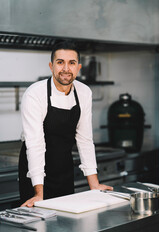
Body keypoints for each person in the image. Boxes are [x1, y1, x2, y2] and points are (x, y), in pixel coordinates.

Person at [18, 40, 113, 207]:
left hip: (64, 166)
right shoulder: (35, 94)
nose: (66, 69)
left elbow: (84, 140)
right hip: (34, 171)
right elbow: (35, 145)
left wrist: (94, 184)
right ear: (51, 66)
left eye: (72, 63)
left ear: (78, 67)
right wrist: (39, 193)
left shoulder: (84, 92)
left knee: (65, 223)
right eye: (60, 62)